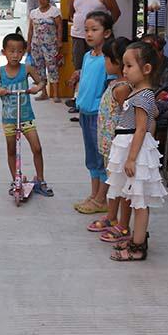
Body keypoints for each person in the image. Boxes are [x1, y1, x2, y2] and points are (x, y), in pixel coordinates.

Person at [107, 42, 167, 261]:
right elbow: (153, 116)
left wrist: (133, 158)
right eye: (124, 65)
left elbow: (142, 127)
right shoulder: (139, 93)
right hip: (131, 146)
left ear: (147, 69)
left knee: (140, 200)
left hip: (136, 151)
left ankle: (137, 246)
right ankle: (137, 237)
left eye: (129, 66)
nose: (124, 70)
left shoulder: (143, 95)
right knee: (135, 197)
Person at [0, 33, 53, 197]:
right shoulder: (0, 72)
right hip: (9, 118)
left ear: (23, 52)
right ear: (4, 52)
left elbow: (41, 81)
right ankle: (16, 179)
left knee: (37, 148)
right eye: (11, 51)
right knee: (11, 150)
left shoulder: (26, 69)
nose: (15, 55)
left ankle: (40, 180)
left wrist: (38, 88)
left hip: (26, 117)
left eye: (19, 51)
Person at [83, 37, 133, 233]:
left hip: (118, 145)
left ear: (117, 63)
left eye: (106, 59)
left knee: (120, 183)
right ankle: (111, 217)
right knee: (113, 182)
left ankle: (119, 222)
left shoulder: (122, 89)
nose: (104, 62)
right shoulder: (114, 84)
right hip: (109, 145)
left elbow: (131, 117)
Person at [72, 11, 114, 213]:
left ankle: (101, 199)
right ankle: (94, 195)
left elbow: (112, 87)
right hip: (85, 112)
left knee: (101, 157)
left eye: (94, 30)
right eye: (86, 30)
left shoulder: (109, 59)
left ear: (106, 33)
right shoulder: (88, 56)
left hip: (99, 115)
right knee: (91, 157)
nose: (89, 34)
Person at [68, 0, 121, 73]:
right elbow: (70, 12)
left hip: (99, 38)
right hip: (79, 36)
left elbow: (116, 12)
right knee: (79, 67)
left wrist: (104, 28)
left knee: (100, 65)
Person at [27, 0, 63, 102]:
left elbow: (59, 27)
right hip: (36, 46)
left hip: (51, 45)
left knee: (52, 68)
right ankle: (44, 92)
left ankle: (56, 94)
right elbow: (30, 30)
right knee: (39, 69)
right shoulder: (33, 13)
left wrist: (59, 40)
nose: (41, 0)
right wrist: (28, 45)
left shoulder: (54, 11)